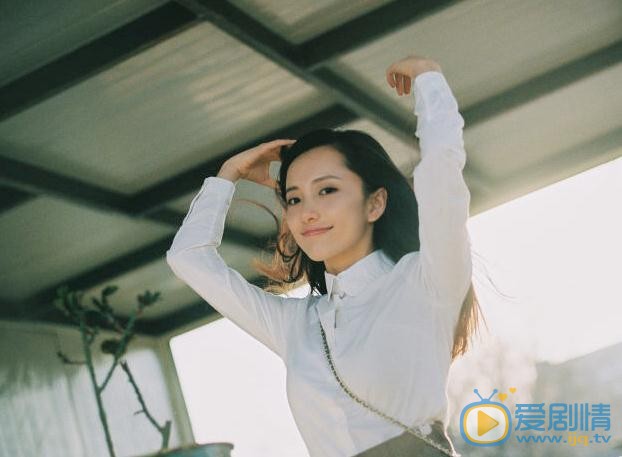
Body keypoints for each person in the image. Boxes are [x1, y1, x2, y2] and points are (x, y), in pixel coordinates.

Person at [166, 54, 483, 457]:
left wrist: (429, 81)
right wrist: (228, 175)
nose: (306, 211)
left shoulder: (425, 281)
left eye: (327, 190)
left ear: (375, 203)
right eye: (294, 198)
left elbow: (441, 173)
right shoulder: (296, 324)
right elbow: (188, 259)